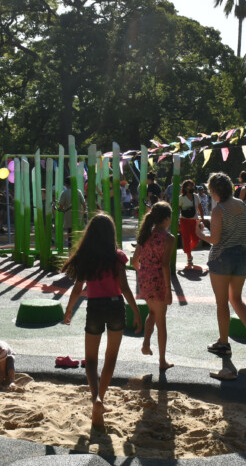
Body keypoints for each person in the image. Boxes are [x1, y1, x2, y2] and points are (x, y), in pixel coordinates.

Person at [62, 214, 141, 429]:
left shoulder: (86, 258)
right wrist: (136, 311)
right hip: (116, 306)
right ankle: (102, 398)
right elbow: (124, 287)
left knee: (90, 359)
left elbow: (77, 289)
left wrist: (69, 310)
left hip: (95, 307)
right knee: (110, 357)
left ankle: (95, 397)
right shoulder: (117, 257)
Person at [195, 172, 246, 366]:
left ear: (215, 190)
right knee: (236, 298)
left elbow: (215, 239)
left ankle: (223, 343)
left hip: (222, 257)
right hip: (241, 256)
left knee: (222, 302)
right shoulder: (241, 205)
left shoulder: (219, 209)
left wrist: (200, 234)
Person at [132, 203, 174, 371]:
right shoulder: (168, 238)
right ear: (167, 219)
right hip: (158, 280)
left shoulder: (145, 234)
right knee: (161, 322)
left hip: (144, 279)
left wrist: (144, 271)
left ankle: (146, 344)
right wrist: (168, 291)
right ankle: (162, 360)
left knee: (152, 312)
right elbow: (165, 265)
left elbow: (134, 261)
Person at [177, 180, 204, 269]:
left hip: (194, 220)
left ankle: (188, 250)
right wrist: (177, 222)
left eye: (193, 185)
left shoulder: (196, 196)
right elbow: (177, 210)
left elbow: (200, 207)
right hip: (184, 220)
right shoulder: (181, 198)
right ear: (185, 188)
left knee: (196, 239)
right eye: (190, 186)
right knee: (186, 239)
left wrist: (202, 218)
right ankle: (189, 257)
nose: (192, 187)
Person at [58, 178, 87, 249]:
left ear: (66, 184)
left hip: (68, 218)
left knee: (70, 235)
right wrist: (83, 214)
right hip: (78, 217)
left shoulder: (64, 193)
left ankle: (71, 251)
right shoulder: (78, 191)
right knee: (79, 235)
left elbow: (60, 207)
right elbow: (84, 205)